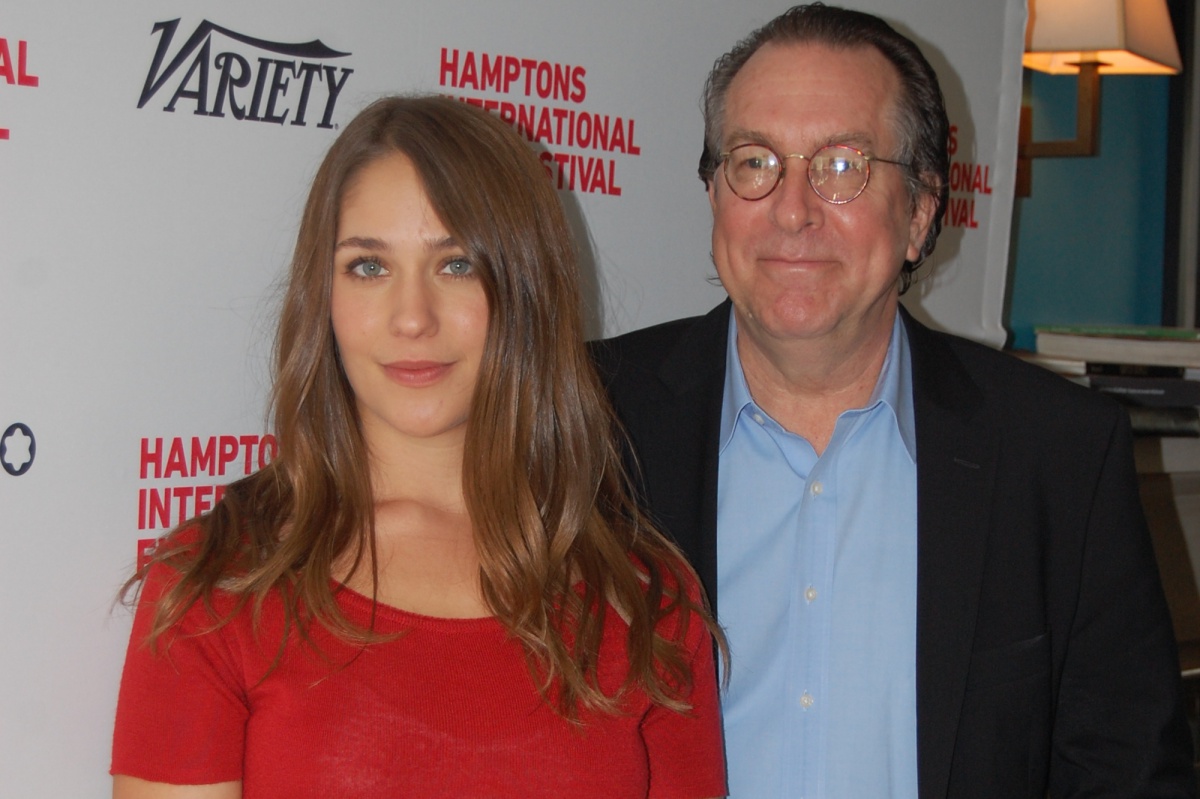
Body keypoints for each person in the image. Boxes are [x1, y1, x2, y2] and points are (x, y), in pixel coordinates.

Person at [593, 4, 1196, 798]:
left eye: (843, 165)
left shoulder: (1057, 453)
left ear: (919, 212)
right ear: (713, 196)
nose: (793, 208)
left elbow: (1128, 769)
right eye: (754, 161)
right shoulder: (587, 418)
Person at [111, 95, 726, 799]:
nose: (411, 317)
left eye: (457, 264)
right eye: (369, 267)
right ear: (324, 296)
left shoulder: (647, 601)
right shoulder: (216, 586)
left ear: (524, 288)